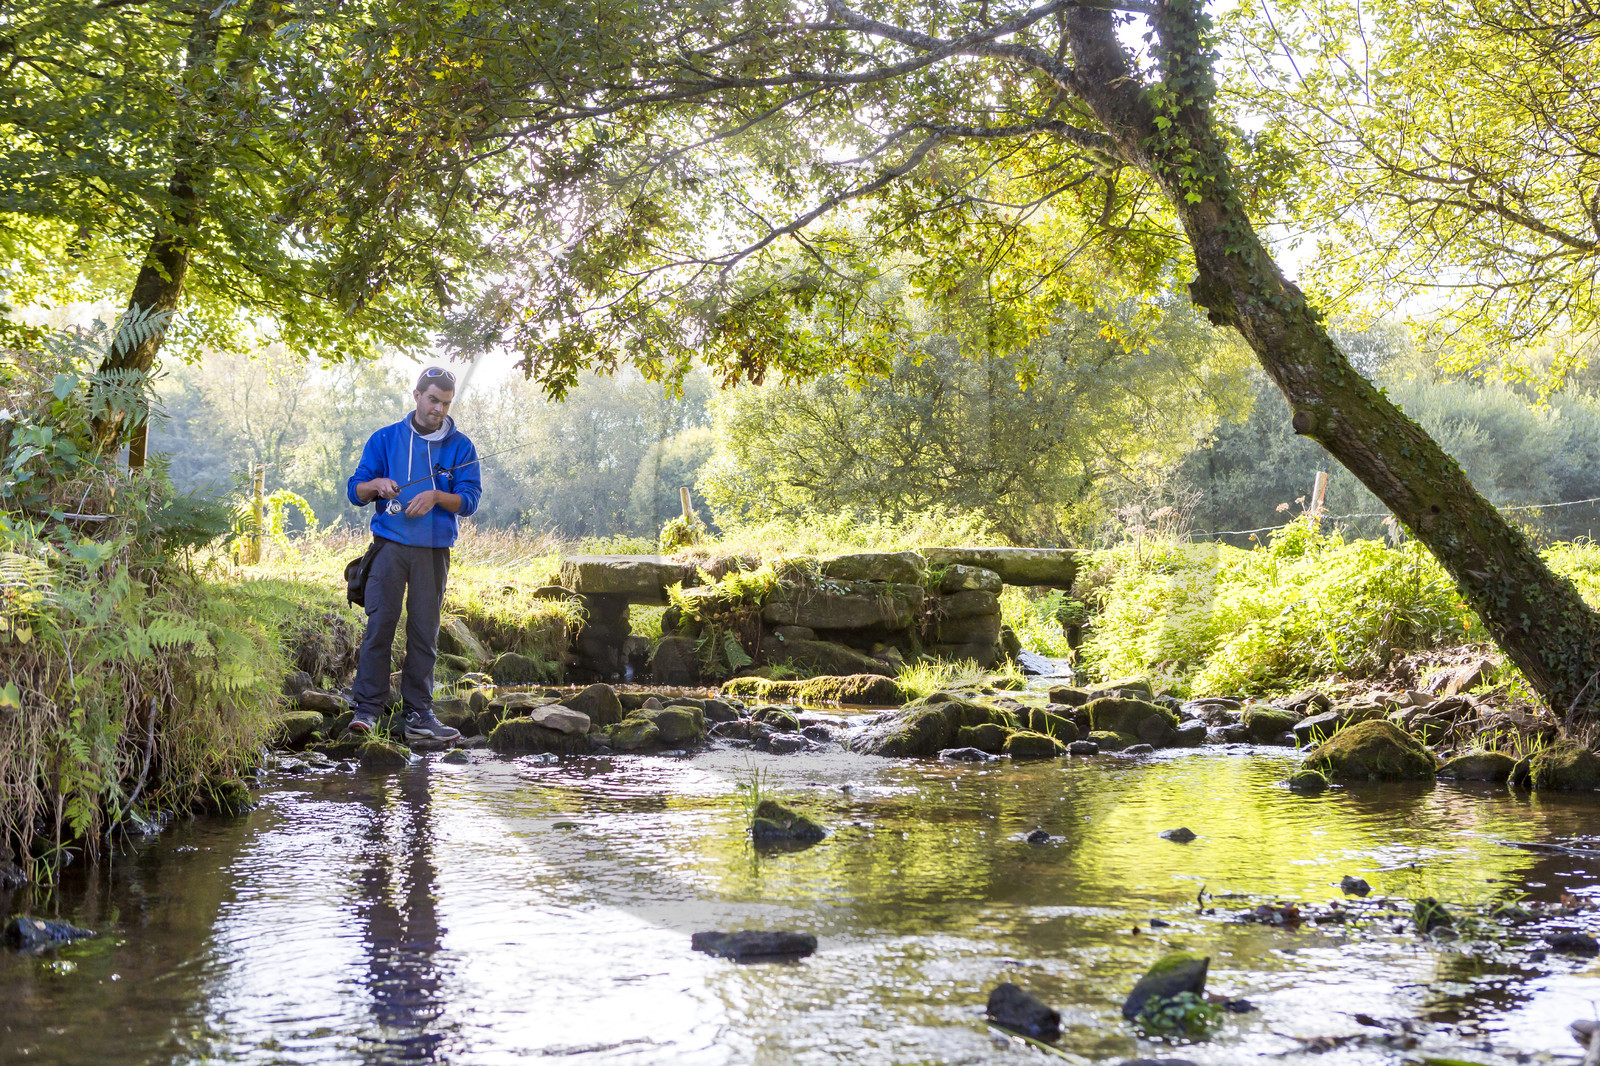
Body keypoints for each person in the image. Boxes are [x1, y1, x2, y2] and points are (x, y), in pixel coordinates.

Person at [346, 366, 481, 741]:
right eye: (433, 400)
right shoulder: (384, 439)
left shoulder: (461, 447)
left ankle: (419, 716)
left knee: (425, 632)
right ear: (417, 395)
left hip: (434, 552)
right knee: (380, 627)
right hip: (388, 547)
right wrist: (375, 485)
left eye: (446, 403)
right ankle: (367, 711)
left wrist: (437, 496)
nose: (439, 409)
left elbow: (469, 502)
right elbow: (355, 491)